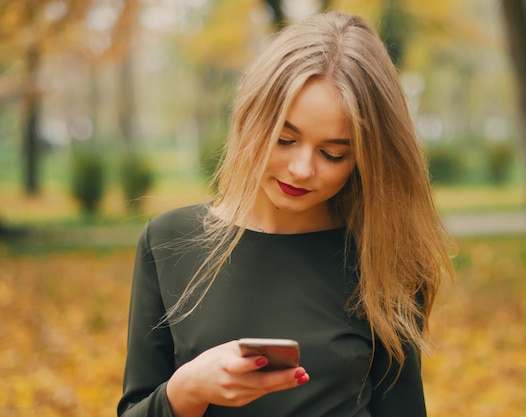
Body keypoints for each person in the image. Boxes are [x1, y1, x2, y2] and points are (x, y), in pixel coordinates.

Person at [117, 11, 454, 417]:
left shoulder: (383, 256)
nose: (302, 169)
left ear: (365, 159)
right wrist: (188, 389)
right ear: (251, 119)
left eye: (333, 153)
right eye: (285, 138)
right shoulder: (168, 241)